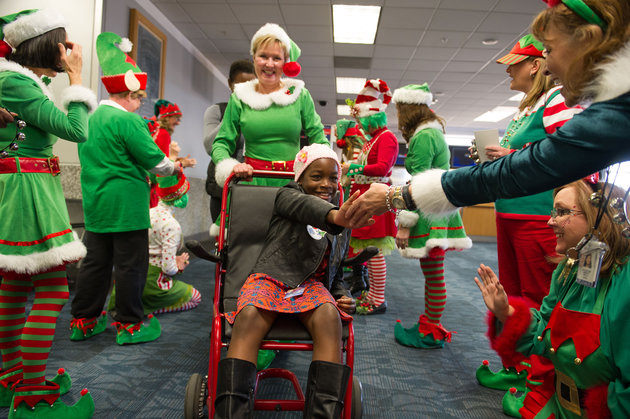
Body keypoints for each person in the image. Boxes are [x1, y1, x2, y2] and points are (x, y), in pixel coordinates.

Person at [345, 0, 630, 231]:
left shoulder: (616, 114)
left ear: (587, 42)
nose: (546, 67)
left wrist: (400, 195)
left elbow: (532, 165)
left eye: (551, 50)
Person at [214, 144, 359, 418]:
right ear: (300, 178)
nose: (326, 184)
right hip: (271, 278)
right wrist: (334, 217)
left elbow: (336, 271)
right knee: (250, 315)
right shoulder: (288, 196)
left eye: (333, 178)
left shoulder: (341, 220)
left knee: (330, 315)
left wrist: (342, 293)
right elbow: (305, 206)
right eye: (316, 176)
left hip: (310, 287)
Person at [0, 9, 96, 417]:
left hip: (22, 186)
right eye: (63, 40)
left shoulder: (15, 80)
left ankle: (13, 379)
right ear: (46, 43)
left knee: (15, 287)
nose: (68, 48)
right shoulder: (18, 82)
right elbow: (75, 130)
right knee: (53, 290)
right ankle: (33, 395)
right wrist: (76, 78)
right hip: (27, 190)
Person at [476, 34, 582, 396]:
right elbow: (527, 154)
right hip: (510, 214)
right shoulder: (525, 108)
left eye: (515, 63)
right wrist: (500, 159)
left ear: (535, 65)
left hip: (537, 217)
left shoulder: (555, 98)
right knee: (514, 296)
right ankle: (519, 368)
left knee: (538, 297)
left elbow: (570, 150)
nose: (508, 69)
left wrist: (514, 154)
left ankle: (543, 383)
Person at [474, 179, 630, 418]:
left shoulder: (624, 284)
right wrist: (506, 312)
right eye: (553, 211)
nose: (550, 221)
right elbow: (543, 334)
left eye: (562, 212)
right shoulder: (569, 269)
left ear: (598, 217)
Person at [70, 32, 181, 346]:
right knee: (131, 265)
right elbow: (156, 162)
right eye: (140, 95)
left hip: (96, 204)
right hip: (127, 208)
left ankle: (84, 320)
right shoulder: (129, 122)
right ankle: (130, 323)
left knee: (95, 264)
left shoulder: (89, 118)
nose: (142, 101)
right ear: (130, 90)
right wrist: (173, 165)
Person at [210, 22, 329, 205]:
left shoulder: (298, 94)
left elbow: (318, 138)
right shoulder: (240, 96)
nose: (269, 64)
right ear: (254, 58)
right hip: (253, 182)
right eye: (263, 56)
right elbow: (221, 143)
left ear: (286, 62)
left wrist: (326, 166)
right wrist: (232, 166)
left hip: (293, 185)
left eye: (276, 58)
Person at [391, 83, 472, 349]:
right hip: (438, 209)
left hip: (430, 212)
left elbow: (418, 183)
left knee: (434, 274)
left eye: (400, 109)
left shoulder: (424, 137)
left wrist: (404, 223)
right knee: (434, 274)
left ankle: (430, 330)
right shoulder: (433, 134)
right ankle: (430, 325)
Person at [109, 171, 201, 315]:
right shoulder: (172, 225)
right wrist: (179, 266)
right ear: (179, 196)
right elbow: (168, 269)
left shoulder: (148, 213)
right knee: (196, 297)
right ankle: (152, 309)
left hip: (133, 275)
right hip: (154, 283)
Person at [343, 79, 399, 315]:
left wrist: (353, 168)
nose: (360, 125)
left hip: (376, 200)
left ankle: (378, 299)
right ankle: (373, 293)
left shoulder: (387, 138)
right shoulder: (373, 139)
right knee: (367, 252)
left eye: (362, 120)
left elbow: (383, 168)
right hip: (365, 197)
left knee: (374, 253)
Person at [203, 59, 255, 222]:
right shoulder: (216, 111)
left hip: (252, 187)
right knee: (222, 239)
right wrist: (234, 114)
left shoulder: (261, 115)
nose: (245, 91)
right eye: (240, 86)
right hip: (222, 190)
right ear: (230, 84)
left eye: (250, 85)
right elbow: (210, 146)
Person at [148, 99, 196, 208]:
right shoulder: (163, 134)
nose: (178, 122)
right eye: (177, 119)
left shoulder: (156, 131)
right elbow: (162, 166)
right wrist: (182, 164)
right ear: (167, 118)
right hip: (152, 189)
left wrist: (179, 160)